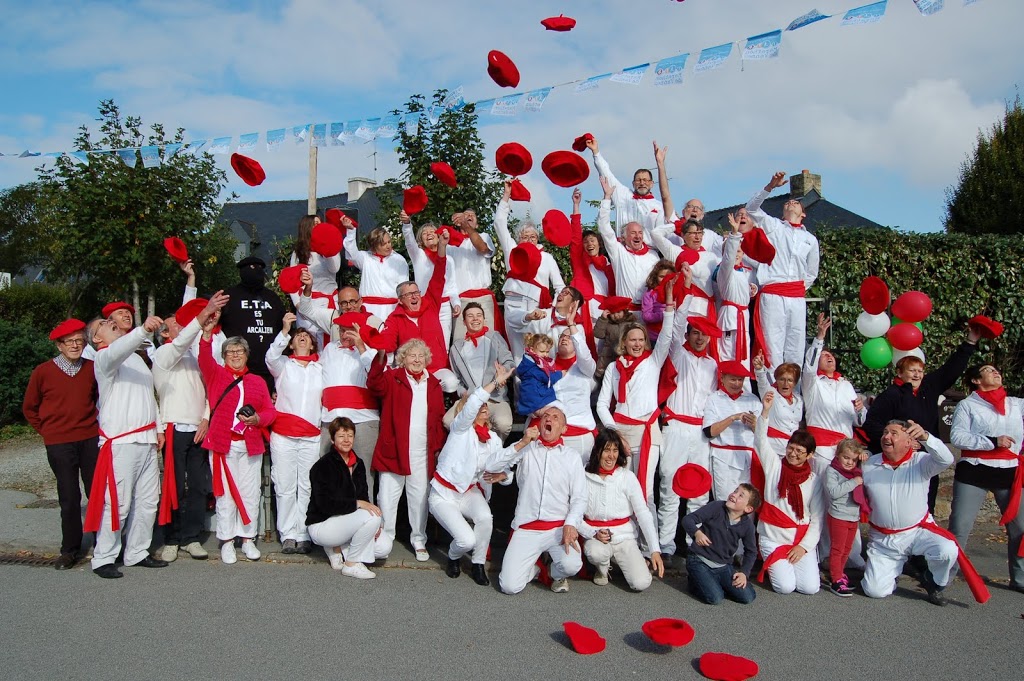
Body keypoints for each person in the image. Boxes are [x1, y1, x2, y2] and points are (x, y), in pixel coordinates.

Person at [84, 311, 168, 578]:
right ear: (96, 338)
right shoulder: (103, 358)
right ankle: (104, 557)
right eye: (103, 324)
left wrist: (157, 427)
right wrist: (143, 330)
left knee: (148, 501)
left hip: (146, 439)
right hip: (121, 442)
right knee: (117, 503)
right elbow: (118, 349)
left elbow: (148, 396)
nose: (110, 323)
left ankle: (137, 552)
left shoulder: (136, 359)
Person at [864, 325, 980, 512]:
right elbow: (872, 424)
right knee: (901, 505)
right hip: (899, 461)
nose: (917, 374)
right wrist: (899, 441)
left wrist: (970, 343)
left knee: (927, 505)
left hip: (926, 456)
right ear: (900, 373)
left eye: (920, 370)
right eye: (912, 370)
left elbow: (951, 370)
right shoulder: (890, 395)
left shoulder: (929, 386)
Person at [861, 419, 976, 606]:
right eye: (885, 432)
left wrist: (925, 437)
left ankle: (934, 581)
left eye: (894, 433)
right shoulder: (869, 465)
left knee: (947, 550)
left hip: (917, 532)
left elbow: (946, 459)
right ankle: (896, 569)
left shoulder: (921, 461)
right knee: (874, 591)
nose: (886, 437)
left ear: (909, 441)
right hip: (883, 540)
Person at [151, 295, 226, 562]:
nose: (182, 326)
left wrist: (205, 418)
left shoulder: (193, 357)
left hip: (197, 427)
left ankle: (191, 537)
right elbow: (182, 341)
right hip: (174, 426)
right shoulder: (162, 355)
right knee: (173, 486)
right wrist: (202, 314)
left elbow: (208, 390)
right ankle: (171, 539)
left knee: (197, 485)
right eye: (175, 324)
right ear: (164, 332)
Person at [596, 285, 675, 529]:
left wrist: (669, 303)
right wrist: (614, 432)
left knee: (645, 490)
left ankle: (648, 543)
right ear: (624, 342)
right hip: (620, 431)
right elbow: (602, 404)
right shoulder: (613, 367)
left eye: (641, 340)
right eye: (633, 340)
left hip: (647, 431)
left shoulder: (653, 362)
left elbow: (667, 336)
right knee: (621, 488)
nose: (638, 344)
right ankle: (625, 537)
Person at [22, 319, 99, 570]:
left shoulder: (91, 368)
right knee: (69, 496)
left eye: (79, 341)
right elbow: (30, 407)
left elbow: (97, 399)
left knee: (96, 493)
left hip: (89, 438)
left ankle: (104, 543)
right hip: (59, 442)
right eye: (70, 342)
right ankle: (70, 549)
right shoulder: (43, 372)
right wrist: (48, 432)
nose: (75, 345)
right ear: (59, 345)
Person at [487, 405, 587, 595]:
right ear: (540, 424)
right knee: (509, 586)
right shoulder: (527, 448)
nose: (549, 418)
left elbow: (580, 498)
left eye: (556, 417)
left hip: (557, 528)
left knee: (572, 565)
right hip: (527, 528)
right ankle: (538, 570)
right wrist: (522, 442)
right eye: (546, 416)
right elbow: (492, 465)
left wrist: (571, 524)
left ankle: (554, 572)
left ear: (564, 428)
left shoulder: (572, 457)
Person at [430, 364, 516, 585]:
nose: (483, 407)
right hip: (444, 494)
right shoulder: (460, 428)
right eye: (480, 405)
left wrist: (504, 477)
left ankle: (478, 564)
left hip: (469, 491)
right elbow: (474, 401)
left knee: (486, 517)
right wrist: (495, 382)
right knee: (466, 540)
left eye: (485, 405)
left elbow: (505, 469)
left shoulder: (493, 439)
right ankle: (453, 556)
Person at [198, 331, 277, 566]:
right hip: (223, 444)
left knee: (250, 492)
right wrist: (206, 334)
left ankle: (248, 537)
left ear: (246, 354)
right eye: (230, 352)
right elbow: (203, 358)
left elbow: (270, 411)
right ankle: (227, 539)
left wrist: (258, 419)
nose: (235, 355)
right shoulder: (216, 374)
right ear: (223, 356)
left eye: (239, 351)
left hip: (249, 443)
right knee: (225, 495)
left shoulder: (257, 381)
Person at [368, 339, 447, 561]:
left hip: (422, 452)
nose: (417, 360)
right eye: (412, 355)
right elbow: (374, 384)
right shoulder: (392, 378)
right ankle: (385, 538)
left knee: (419, 498)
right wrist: (380, 356)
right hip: (394, 449)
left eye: (421, 356)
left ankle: (419, 539)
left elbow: (439, 417)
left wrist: (437, 447)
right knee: (387, 498)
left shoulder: (434, 383)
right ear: (403, 358)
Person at [948, 364, 1024, 593]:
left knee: (1020, 528)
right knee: (960, 528)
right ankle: (943, 579)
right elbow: (957, 436)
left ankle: (1020, 579)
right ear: (976, 380)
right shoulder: (967, 405)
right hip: (975, 471)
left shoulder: (1015, 404)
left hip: (1010, 471)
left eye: (996, 370)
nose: (995, 372)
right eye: (988, 370)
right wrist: (992, 441)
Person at [360, 230, 459, 392]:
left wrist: (442, 246)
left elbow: (439, 274)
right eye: (409, 294)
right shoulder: (395, 318)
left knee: (451, 383)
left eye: (416, 292)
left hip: (436, 368)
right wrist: (369, 337)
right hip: (410, 373)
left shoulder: (431, 303)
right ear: (400, 299)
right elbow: (387, 342)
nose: (414, 296)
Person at [659, 312, 719, 559]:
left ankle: (693, 543)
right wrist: (678, 304)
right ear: (688, 334)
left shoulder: (713, 365)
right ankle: (665, 546)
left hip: (700, 431)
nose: (700, 338)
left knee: (699, 489)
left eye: (704, 334)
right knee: (670, 485)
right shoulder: (679, 355)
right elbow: (674, 335)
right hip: (676, 426)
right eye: (695, 333)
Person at [746, 171, 820, 373]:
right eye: (788, 202)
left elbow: (811, 272)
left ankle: (794, 389)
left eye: (796, 203)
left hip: (795, 296)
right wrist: (770, 186)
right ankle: (772, 388)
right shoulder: (774, 226)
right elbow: (751, 208)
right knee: (772, 344)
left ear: (803, 213)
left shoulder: (810, 239)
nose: (791, 203)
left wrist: (795, 288)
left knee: (796, 343)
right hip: (772, 293)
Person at [753, 392, 824, 595]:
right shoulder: (774, 466)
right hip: (773, 537)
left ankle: (790, 564)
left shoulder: (814, 480)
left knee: (810, 588)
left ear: (810, 455)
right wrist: (765, 412)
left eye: (799, 451)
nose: (793, 454)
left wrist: (803, 547)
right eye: (791, 448)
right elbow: (760, 441)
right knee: (785, 587)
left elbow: (817, 518)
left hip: (799, 539)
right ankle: (776, 565)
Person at [310, 300, 381, 500]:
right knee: (328, 470)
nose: (344, 334)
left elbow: (376, 374)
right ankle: (332, 514)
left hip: (363, 419)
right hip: (331, 418)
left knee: (363, 473)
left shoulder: (370, 350)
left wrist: (361, 345)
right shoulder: (329, 349)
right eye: (341, 330)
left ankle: (366, 514)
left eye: (349, 330)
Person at [266, 312, 324, 554]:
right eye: (298, 336)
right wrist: (284, 330)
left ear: (312, 344)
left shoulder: (320, 368)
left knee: (307, 486)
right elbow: (270, 357)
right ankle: (288, 534)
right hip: (284, 435)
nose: (302, 338)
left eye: (306, 336)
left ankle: (304, 533)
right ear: (291, 344)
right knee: (285, 485)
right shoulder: (283, 366)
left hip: (311, 435)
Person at [579, 429, 664, 591]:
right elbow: (575, 515)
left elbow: (643, 514)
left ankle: (623, 560)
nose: (611, 456)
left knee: (641, 583)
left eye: (615, 450)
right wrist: (592, 532)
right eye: (606, 450)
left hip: (625, 537)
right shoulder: (583, 476)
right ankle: (602, 568)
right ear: (597, 451)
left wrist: (654, 550)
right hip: (596, 536)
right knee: (595, 552)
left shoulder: (627, 477)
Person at [306, 417, 383, 579]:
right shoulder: (322, 466)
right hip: (322, 524)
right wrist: (356, 504)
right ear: (332, 439)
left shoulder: (358, 463)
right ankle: (351, 564)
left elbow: (363, 497)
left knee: (384, 547)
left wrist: (373, 524)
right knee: (372, 518)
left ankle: (339, 548)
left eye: (350, 435)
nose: (346, 440)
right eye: (341, 436)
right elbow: (324, 505)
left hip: (346, 522)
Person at [681, 484, 761, 605]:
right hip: (699, 560)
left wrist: (744, 573)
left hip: (723, 566)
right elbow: (688, 520)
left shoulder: (747, 525)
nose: (734, 495)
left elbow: (751, 551)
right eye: (735, 491)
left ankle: (713, 582)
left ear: (748, 509)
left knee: (748, 596)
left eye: (740, 495)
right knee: (715, 598)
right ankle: (695, 583)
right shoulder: (717, 507)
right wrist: (697, 533)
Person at [445, 303, 515, 440]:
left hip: (495, 398)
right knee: (448, 421)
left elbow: (509, 362)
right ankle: (471, 446)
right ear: (464, 322)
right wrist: (463, 393)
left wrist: (503, 371)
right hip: (470, 399)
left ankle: (494, 448)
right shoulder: (456, 348)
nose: (475, 319)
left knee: (503, 424)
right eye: (470, 316)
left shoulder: (495, 337)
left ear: (484, 319)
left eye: (479, 315)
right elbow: (456, 379)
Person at [217, 256, 286, 393]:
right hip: (237, 369)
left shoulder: (272, 298)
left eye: (260, 268)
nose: (257, 271)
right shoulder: (229, 296)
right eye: (252, 267)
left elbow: (282, 327)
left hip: (268, 369)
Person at [400, 211, 461, 349]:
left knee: (444, 345)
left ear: (439, 236)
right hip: (425, 306)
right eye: (424, 233)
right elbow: (409, 241)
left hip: (444, 307)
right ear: (420, 241)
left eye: (432, 231)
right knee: (426, 345)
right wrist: (407, 224)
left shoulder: (449, 260)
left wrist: (456, 303)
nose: (428, 234)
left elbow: (452, 286)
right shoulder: (418, 255)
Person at [597, 177, 662, 307]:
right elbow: (604, 228)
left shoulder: (653, 255)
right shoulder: (618, 251)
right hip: (625, 312)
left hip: (648, 312)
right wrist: (607, 198)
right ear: (624, 237)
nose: (637, 236)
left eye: (640, 233)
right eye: (633, 233)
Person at [703, 361, 762, 503]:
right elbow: (709, 432)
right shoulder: (714, 399)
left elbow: (762, 434)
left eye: (740, 380)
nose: (737, 383)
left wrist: (755, 424)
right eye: (733, 379)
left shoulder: (753, 399)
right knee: (725, 501)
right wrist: (733, 418)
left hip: (747, 457)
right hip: (723, 457)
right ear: (722, 378)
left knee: (746, 502)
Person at [585, 136, 663, 241]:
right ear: (633, 183)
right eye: (638, 180)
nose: (642, 183)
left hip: (650, 250)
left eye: (645, 180)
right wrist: (596, 152)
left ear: (652, 183)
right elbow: (606, 173)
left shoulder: (659, 206)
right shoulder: (623, 195)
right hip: (622, 248)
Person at [824, 439, 871, 597]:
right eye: (846, 458)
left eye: (854, 460)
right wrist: (853, 482)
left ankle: (840, 573)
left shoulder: (855, 470)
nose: (850, 462)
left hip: (853, 516)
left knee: (846, 549)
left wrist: (865, 455)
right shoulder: (832, 471)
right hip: (838, 515)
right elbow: (834, 492)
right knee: (837, 549)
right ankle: (835, 579)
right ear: (838, 455)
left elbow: (869, 456)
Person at [448, 209, 501, 341]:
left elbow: (482, 248)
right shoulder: (450, 244)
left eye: (473, 215)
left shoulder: (484, 236)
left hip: (483, 298)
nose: (469, 216)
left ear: (476, 225)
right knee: (460, 342)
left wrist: (467, 226)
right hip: (460, 300)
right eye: (466, 215)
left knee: (489, 341)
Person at [289, 214, 342, 342]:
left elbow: (334, 268)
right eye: (315, 224)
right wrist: (298, 304)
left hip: (329, 301)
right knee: (309, 340)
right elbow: (292, 280)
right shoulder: (299, 253)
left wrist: (326, 250)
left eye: (320, 223)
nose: (319, 226)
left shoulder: (331, 247)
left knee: (332, 338)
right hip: (308, 302)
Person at [552, 320, 599, 464]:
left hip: (581, 433)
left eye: (570, 337)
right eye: (562, 336)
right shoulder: (545, 366)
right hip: (554, 432)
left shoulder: (584, 368)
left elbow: (584, 355)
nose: (564, 338)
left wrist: (572, 325)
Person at [568, 187, 615, 323]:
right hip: (585, 309)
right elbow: (575, 236)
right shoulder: (580, 261)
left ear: (599, 244)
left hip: (604, 312)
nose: (589, 243)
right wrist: (576, 205)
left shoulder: (609, 265)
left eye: (592, 240)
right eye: (586, 241)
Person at [716, 216, 757, 369]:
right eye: (733, 251)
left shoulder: (744, 272)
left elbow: (741, 289)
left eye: (739, 251)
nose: (736, 254)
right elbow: (728, 259)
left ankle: (743, 384)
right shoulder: (724, 270)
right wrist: (734, 234)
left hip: (743, 318)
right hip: (730, 320)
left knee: (744, 357)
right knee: (728, 356)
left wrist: (751, 290)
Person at [344, 226, 410, 321]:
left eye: (389, 242)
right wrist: (351, 230)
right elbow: (351, 253)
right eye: (383, 244)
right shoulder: (365, 258)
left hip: (392, 309)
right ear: (374, 246)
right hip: (368, 310)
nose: (388, 246)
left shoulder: (399, 260)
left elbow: (404, 288)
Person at [753, 355, 803, 459]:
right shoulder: (771, 393)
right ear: (776, 380)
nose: (785, 383)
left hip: (792, 452)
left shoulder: (799, 399)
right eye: (782, 379)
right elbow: (762, 381)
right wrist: (759, 369)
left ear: (795, 383)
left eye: (790, 380)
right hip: (773, 449)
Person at [516, 333, 562, 417]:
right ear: (532, 349)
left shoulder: (531, 362)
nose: (545, 354)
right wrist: (560, 373)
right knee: (560, 409)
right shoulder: (533, 366)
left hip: (534, 397)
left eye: (547, 352)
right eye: (542, 351)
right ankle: (538, 412)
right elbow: (547, 378)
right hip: (535, 400)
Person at [593, 296, 636, 382]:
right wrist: (603, 319)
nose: (616, 315)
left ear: (624, 311)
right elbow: (598, 334)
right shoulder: (607, 323)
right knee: (605, 380)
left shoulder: (631, 323)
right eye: (612, 313)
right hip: (608, 358)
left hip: (625, 356)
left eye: (619, 312)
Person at [640, 259, 675, 341]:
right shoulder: (650, 294)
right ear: (655, 277)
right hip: (656, 336)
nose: (665, 279)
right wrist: (665, 314)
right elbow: (646, 316)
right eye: (662, 277)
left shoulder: (677, 292)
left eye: (669, 276)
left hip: (673, 335)